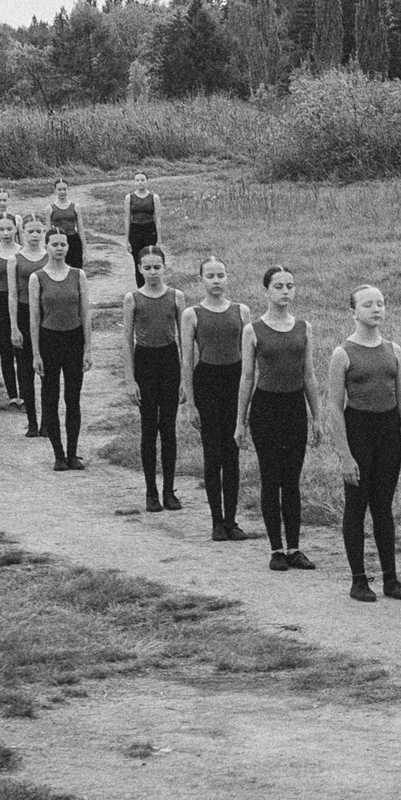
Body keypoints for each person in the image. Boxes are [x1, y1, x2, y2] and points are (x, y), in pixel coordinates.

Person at [325, 285, 401, 602]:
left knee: (383, 508)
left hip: (388, 432)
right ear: (353, 312)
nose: (376, 309)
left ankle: (391, 579)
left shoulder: (394, 350)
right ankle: (358, 580)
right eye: (368, 305)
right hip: (358, 431)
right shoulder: (342, 353)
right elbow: (334, 408)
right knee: (356, 506)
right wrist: (345, 456)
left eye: (380, 303)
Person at [239, 266, 318, 571]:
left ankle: (294, 547)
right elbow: (247, 377)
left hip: (294, 407)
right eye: (279, 286)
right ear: (266, 291)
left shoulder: (304, 328)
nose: (285, 291)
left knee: (292, 481)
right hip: (265, 409)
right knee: (271, 479)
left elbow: (309, 375)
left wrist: (317, 417)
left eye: (290, 286)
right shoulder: (253, 330)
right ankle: (276, 549)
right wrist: (240, 421)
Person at [180, 256, 252, 541]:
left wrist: (247, 401)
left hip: (234, 381)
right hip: (207, 382)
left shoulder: (241, 311)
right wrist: (191, 403)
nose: (216, 281)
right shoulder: (192, 314)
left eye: (220, 275)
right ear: (201, 280)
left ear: (227, 277)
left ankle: (232, 520)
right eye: (210, 276)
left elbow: (249, 361)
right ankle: (216, 522)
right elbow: (187, 361)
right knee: (212, 455)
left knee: (232, 453)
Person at [122, 247, 185, 512]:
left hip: (169, 361)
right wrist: (130, 379)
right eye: (147, 268)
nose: (152, 273)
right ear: (139, 269)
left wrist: (184, 379)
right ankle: (151, 491)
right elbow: (127, 340)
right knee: (149, 428)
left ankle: (169, 490)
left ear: (164, 267)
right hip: (145, 362)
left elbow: (185, 340)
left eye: (157, 267)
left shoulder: (176, 297)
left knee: (168, 429)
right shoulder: (133, 299)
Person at [26, 241, 90, 471]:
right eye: (55, 244)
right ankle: (58, 455)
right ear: (47, 247)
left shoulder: (78, 275)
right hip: (49, 340)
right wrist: (35, 353)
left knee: (73, 399)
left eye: (63, 244)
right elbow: (34, 317)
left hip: (74, 340)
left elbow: (85, 313)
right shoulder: (37, 278)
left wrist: (88, 348)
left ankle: (73, 454)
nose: (60, 248)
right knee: (50, 398)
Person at [0, 213, 30, 411]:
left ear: (16, 229)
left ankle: (26, 395)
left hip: (19, 304)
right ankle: (13, 396)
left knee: (22, 353)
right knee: (5, 351)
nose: (5, 233)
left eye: (9, 229)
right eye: (1, 229)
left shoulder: (23, 252)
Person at [11, 218, 48, 438]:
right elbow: (12, 295)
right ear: (23, 232)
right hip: (24, 313)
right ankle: (31, 421)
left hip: (46, 315)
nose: (34, 235)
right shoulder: (15, 259)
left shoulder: (49, 256)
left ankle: (47, 422)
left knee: (47, 371)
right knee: (25, 371)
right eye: (30, 231)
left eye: (38, 231)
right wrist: (14, 326)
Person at [122, 172, 160, 269]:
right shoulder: (129, 197)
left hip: (150, 231)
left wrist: (159, 239)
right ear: (134, 182)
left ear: (147, 181)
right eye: (137, 180)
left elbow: (157, 219)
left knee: (150, 258)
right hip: (135, 231)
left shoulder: (154, 197)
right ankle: (139, 279)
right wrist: (127, 241)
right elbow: (127, 219)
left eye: (142, 180)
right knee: (137, 260)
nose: (140, 182)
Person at [47, 179, 85, 270]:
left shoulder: (75, 207)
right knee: (59, 268)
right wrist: (49, 250)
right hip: (59, 241)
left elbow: (81, 229)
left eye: (64, 189)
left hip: (74, 241)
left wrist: (84, 249)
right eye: (59, 189)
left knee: (76, 269)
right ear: (55, 190)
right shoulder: (49, 208)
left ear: (68, 189)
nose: (62, 192)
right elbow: (48, 232)